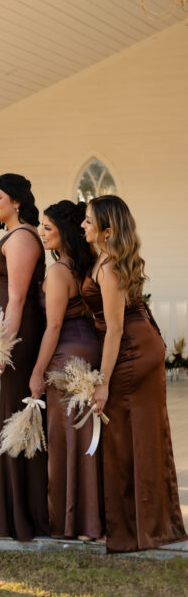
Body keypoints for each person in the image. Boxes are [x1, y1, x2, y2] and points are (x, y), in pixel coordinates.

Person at [81, 195, 186, 552]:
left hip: (132, 350)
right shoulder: (106, 259)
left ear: (107, 230)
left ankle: (142, 527)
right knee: (138, 434)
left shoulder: (109, 268)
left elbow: (114, 328)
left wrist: (103, 382)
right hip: (140, 344)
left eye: (89, 221)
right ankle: (149, 523)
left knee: (132, 438)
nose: (83, 225)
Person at [0, 174, 49, 541]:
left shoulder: (22, 238)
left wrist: (2, 350)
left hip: (16, 338)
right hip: (2, 334)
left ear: (17, 201)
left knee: (8, 416)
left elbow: (17, 299)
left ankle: (16, 514)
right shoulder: (10, 235)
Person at [29, 200, 103, 541]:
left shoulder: (58, 271)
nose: (42, 233)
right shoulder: (84, 266)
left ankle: (70, 522)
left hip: (67, 356)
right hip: (91, 350)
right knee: (87, 438)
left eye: (47, 227)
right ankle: (92, 521)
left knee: (66, 440)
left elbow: (53, 326)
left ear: (64, 231)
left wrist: (37, 372)